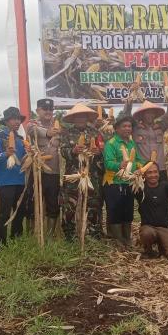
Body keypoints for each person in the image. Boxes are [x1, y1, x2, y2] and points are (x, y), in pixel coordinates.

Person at [59, 103, 105, 242]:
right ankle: (69, 234)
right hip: (73, 174)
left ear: (87, 118)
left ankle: (94, 233)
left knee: (93, 203)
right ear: (73, 118)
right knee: (69, 204)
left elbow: (102, 151)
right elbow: (63, 150)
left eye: (83, 116)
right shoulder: (66, 133)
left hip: (91, 174)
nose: (80, 119)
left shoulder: (95, 133)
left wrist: (98, 152)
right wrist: (73, 151)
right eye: (77, 116)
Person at [103, 115, 144, 246]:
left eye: (129, 126)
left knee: (128, 211)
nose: (127, 129)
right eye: (124, 126)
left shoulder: (131, 143)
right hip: (114, 183)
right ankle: (118, 241)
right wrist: (119, 165)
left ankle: (127, 240)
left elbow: (137, 159)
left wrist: (141, 168)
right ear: (116, 128)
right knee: (115, 211)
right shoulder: (111, 144)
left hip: (129, 183)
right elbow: (108, 163)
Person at [0, 107, 29, 245]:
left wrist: (31, 154)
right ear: (6, 120)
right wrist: (6, 154)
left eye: (19, 119)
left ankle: (16, 238)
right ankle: (2, 242)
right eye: (14, 119)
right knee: (4, 214)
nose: (17, 122)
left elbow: (24, 158)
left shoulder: (20, 138)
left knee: (19, 212)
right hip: (5, 182)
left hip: (20, 181)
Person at [26, 99, 61, 236]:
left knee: (53, 203)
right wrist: (48, 133)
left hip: (54, 171)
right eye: (44, 109)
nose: (48, 112)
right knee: (33, 202)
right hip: (36, 171)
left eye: (50, 109)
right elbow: (33, 130)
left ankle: (51, 235)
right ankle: (31, 234)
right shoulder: (32, 123)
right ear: (37, 110)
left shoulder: (58, 126)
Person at [136, 162, 168, 259]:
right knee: (147, 233)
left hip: (165, 227)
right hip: (148, 227)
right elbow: (131, 187)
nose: (153, 175)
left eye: (155, 172)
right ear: (145, 175)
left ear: (159, 173)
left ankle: (162, 245)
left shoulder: (165, 186)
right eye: (149, 173)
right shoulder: (141, 189)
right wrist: (136, 176)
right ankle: (148, 250)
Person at [124, 98, 168, 182]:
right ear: (142, 115)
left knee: (162, 192)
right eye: (147, 113)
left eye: (152, 113)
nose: (150, 115)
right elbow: (127, 116)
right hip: (142, 168)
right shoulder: (135, 128)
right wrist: (129, 104)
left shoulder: (160, 126)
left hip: (160, 168)